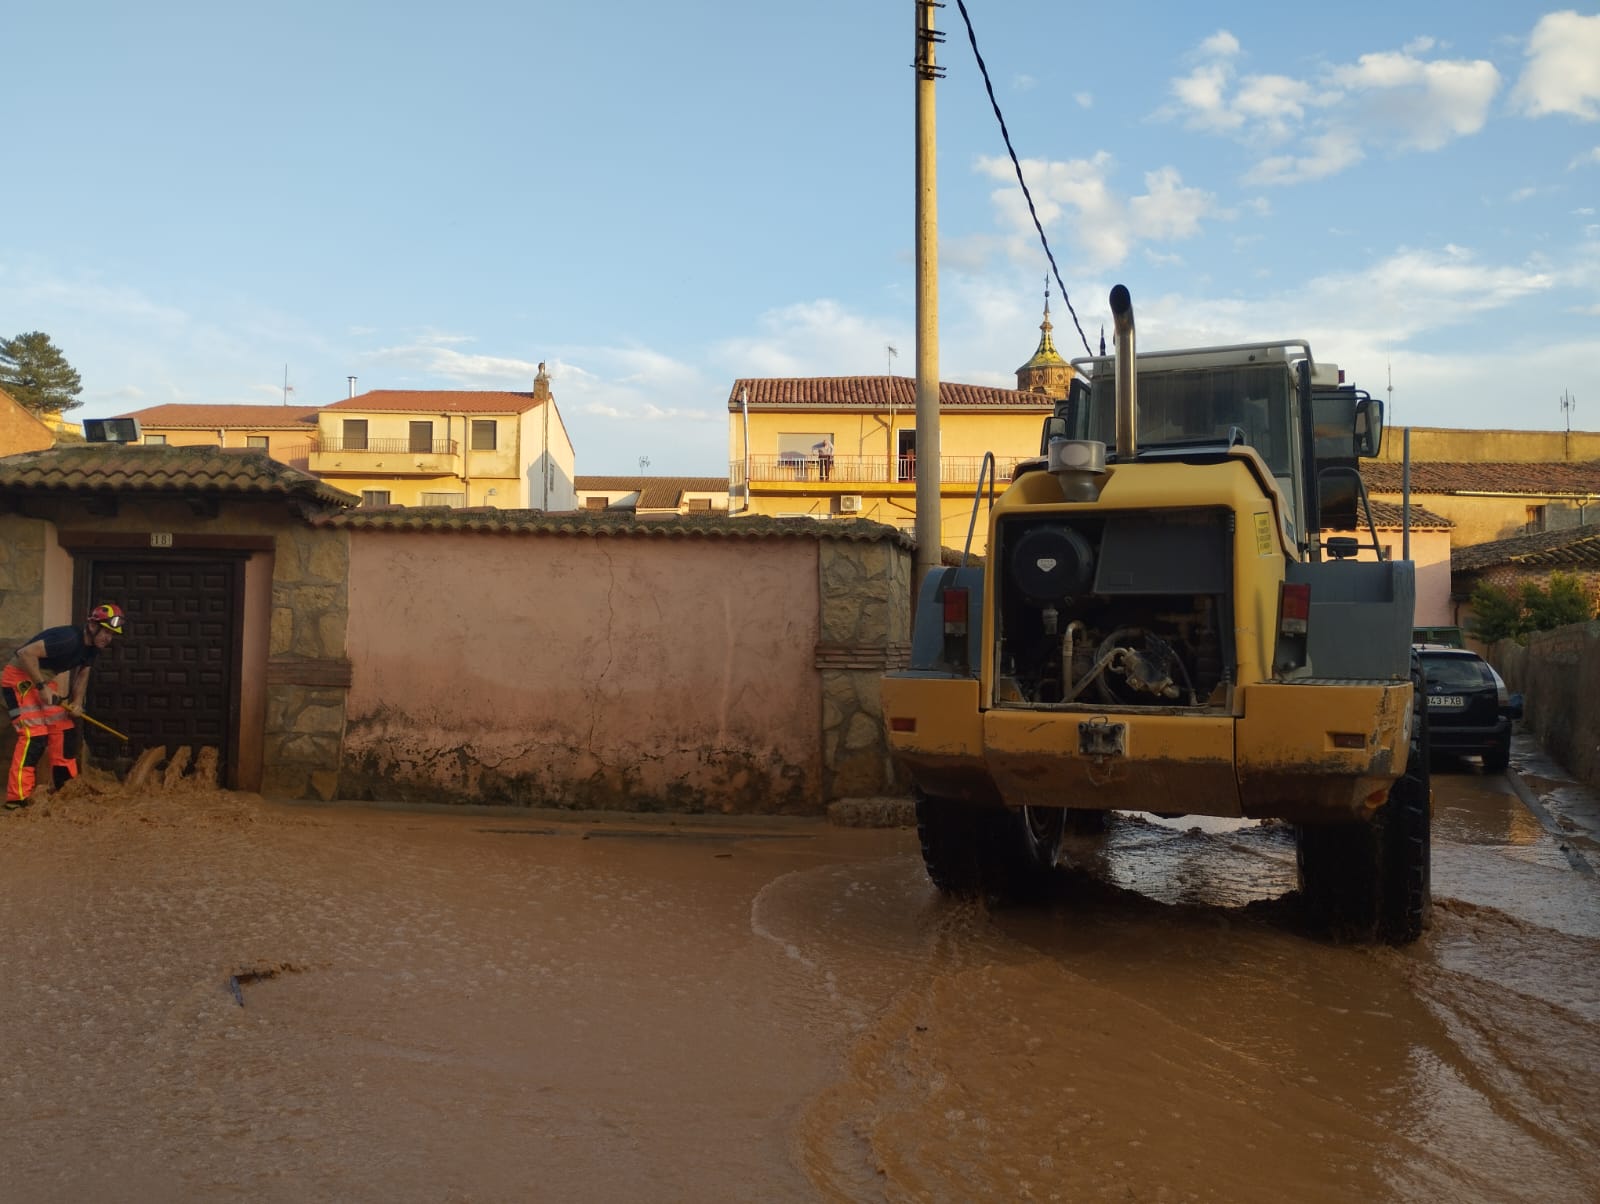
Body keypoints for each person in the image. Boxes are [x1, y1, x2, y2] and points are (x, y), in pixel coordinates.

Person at [3, 603, 125, 809]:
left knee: (64, 729)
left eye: (112, 635)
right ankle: (17, 798)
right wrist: (42, 687)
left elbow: (83, 674)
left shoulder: (92, 649)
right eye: (106, 632)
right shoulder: (67, 639)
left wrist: (77, 703)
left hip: (44, 678)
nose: (108, 638)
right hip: (19, 679)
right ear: (93, 626)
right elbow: (25, 654)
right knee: (35, 735)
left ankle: (66, 788)